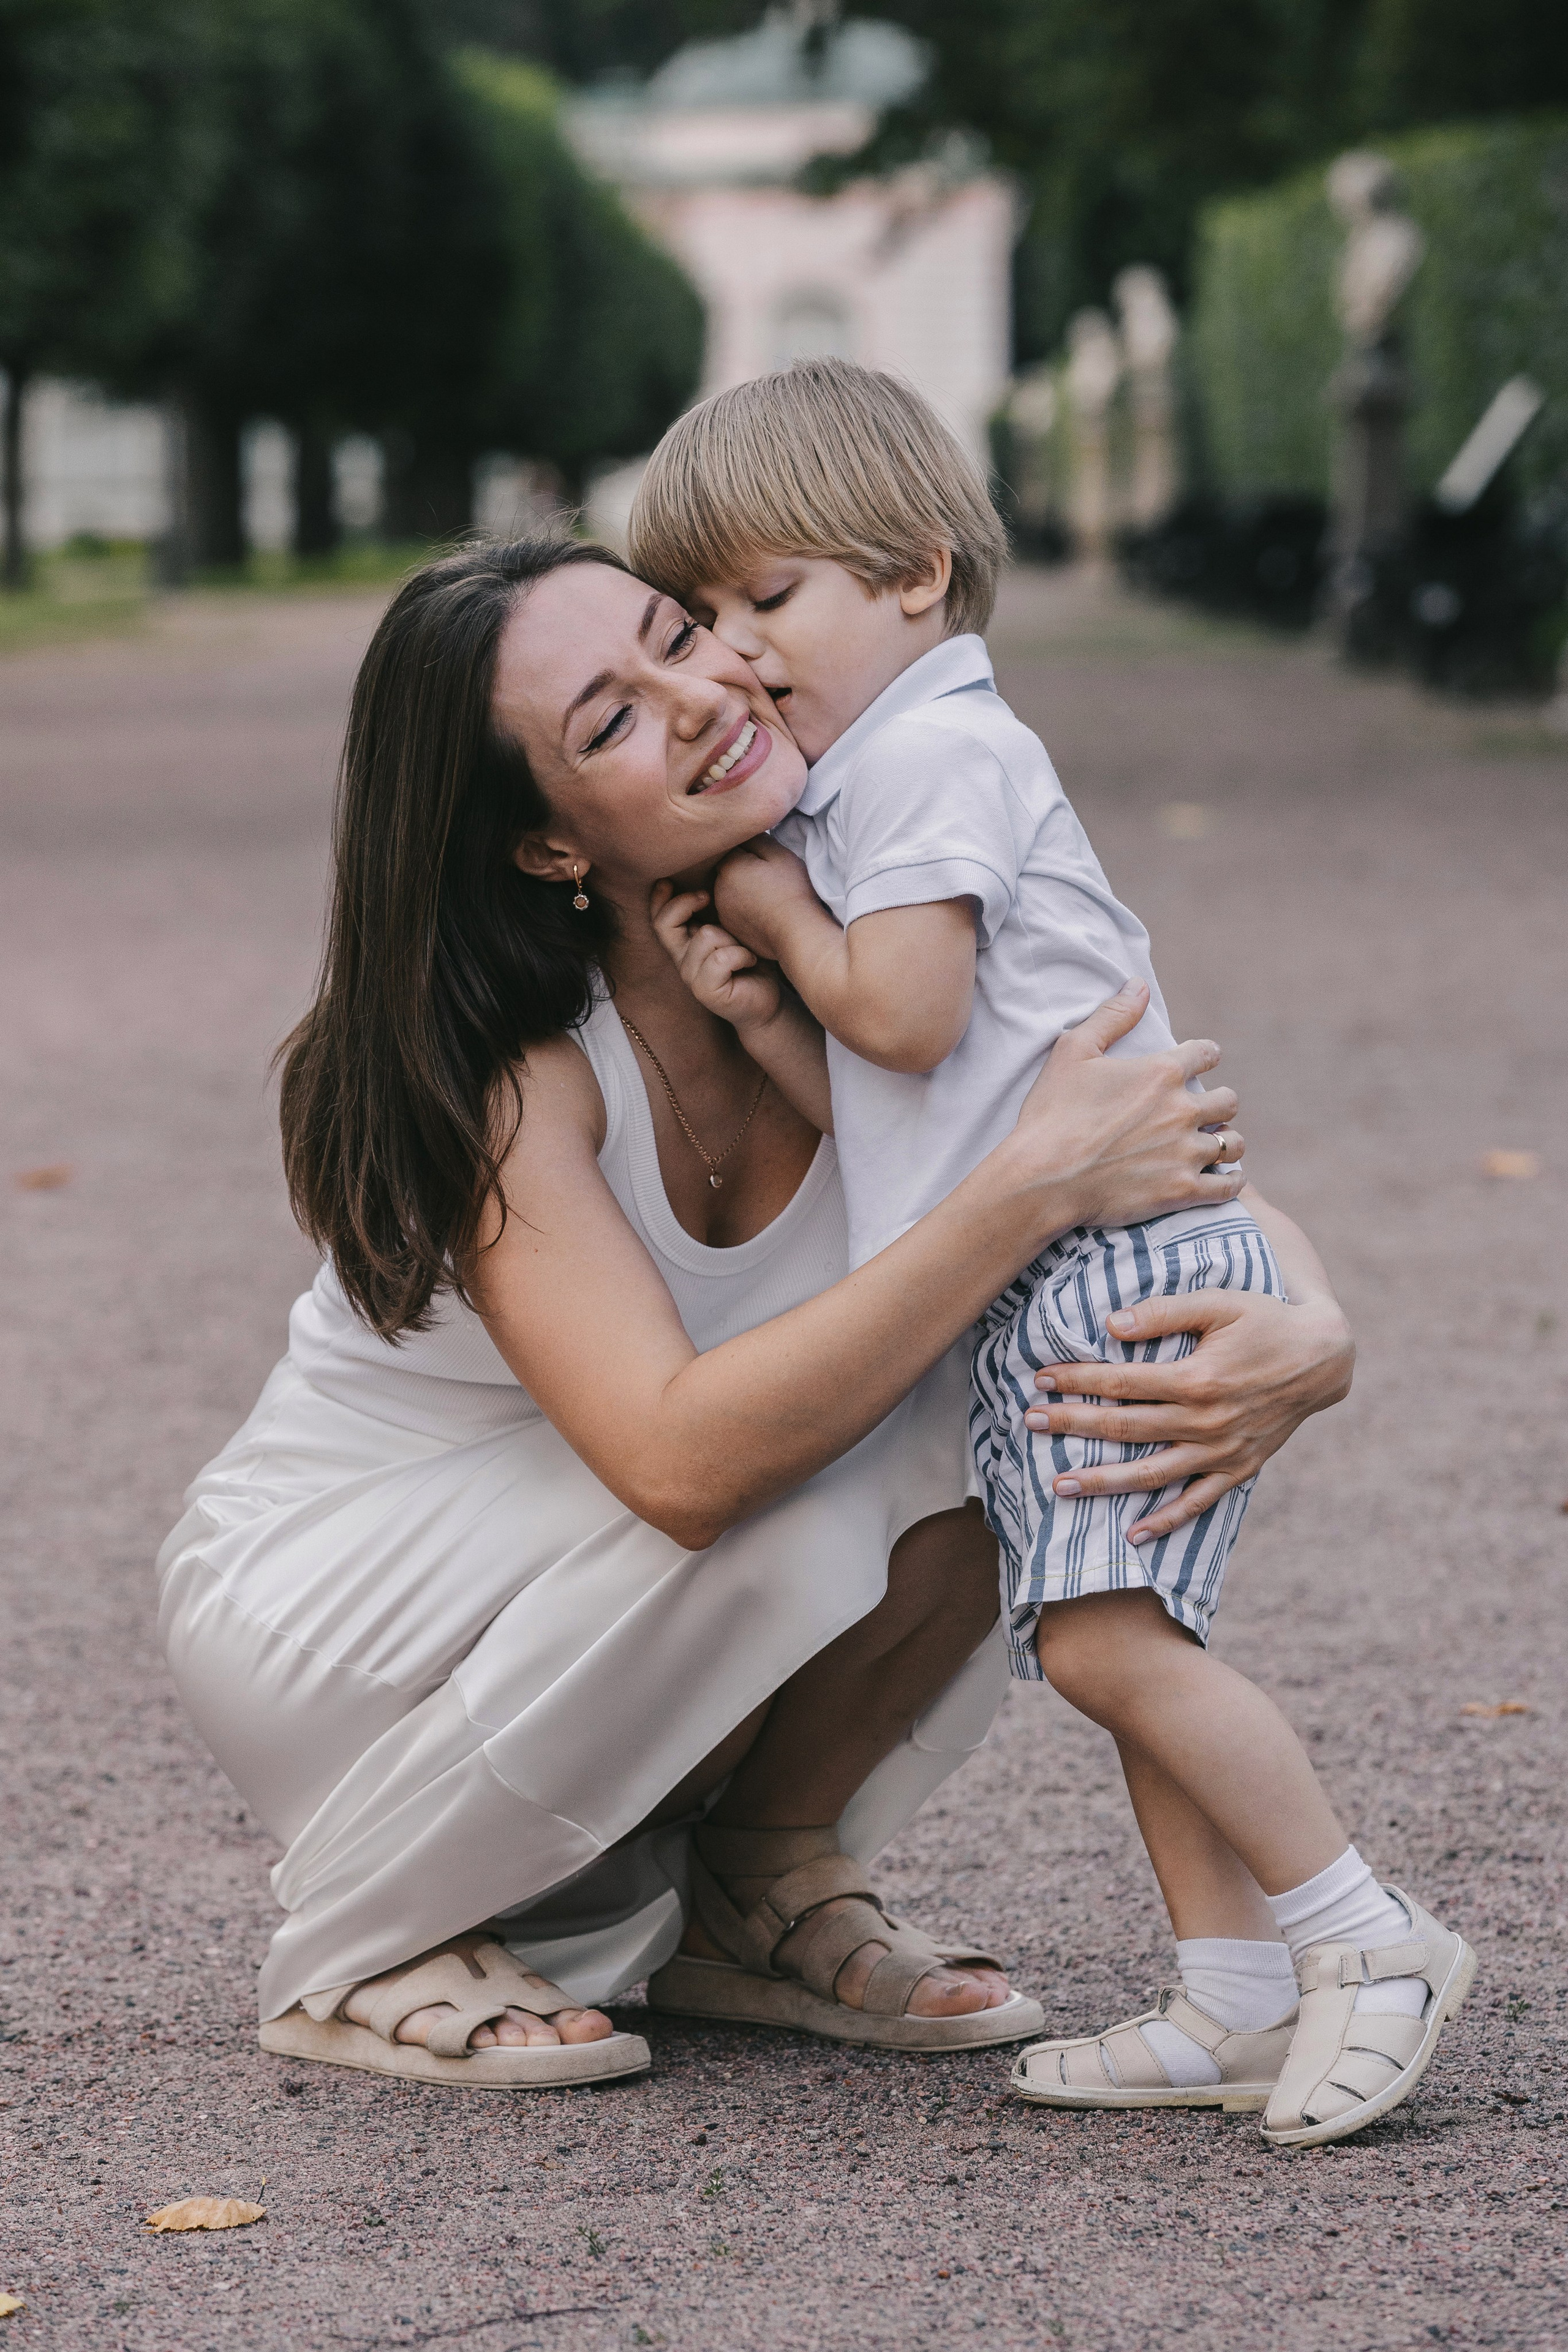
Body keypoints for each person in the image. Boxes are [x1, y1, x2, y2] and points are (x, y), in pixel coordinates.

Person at [156, 533, 1352, 2094]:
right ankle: (370, 1939)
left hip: (613, 1564)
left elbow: (1148, 1170)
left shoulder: (876, 953)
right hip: (345, 1603)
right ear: (546, 845)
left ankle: (756, 1880)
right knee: (874, 1422)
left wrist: (1313, 1327)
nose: (699, 697)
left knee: (1008, 1383)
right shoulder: (522, 1078)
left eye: (677, 635)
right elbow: (681, 1466)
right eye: (610, 721)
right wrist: (1020, 1192)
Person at [625, 358, 1474, 2149]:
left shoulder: (927, 756)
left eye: (770, 596)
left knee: (1103, 1647)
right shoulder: (891, 769)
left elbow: (910, 1019)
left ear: (914, 573)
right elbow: (906, 1109)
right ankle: (1234, 1996)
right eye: (706, 616)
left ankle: (1363, 1934)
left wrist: (770, 904)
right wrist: (772, 1017)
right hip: (1060, 1265)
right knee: (1121, 1634)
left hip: (1105, 1268)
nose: (738, 652)